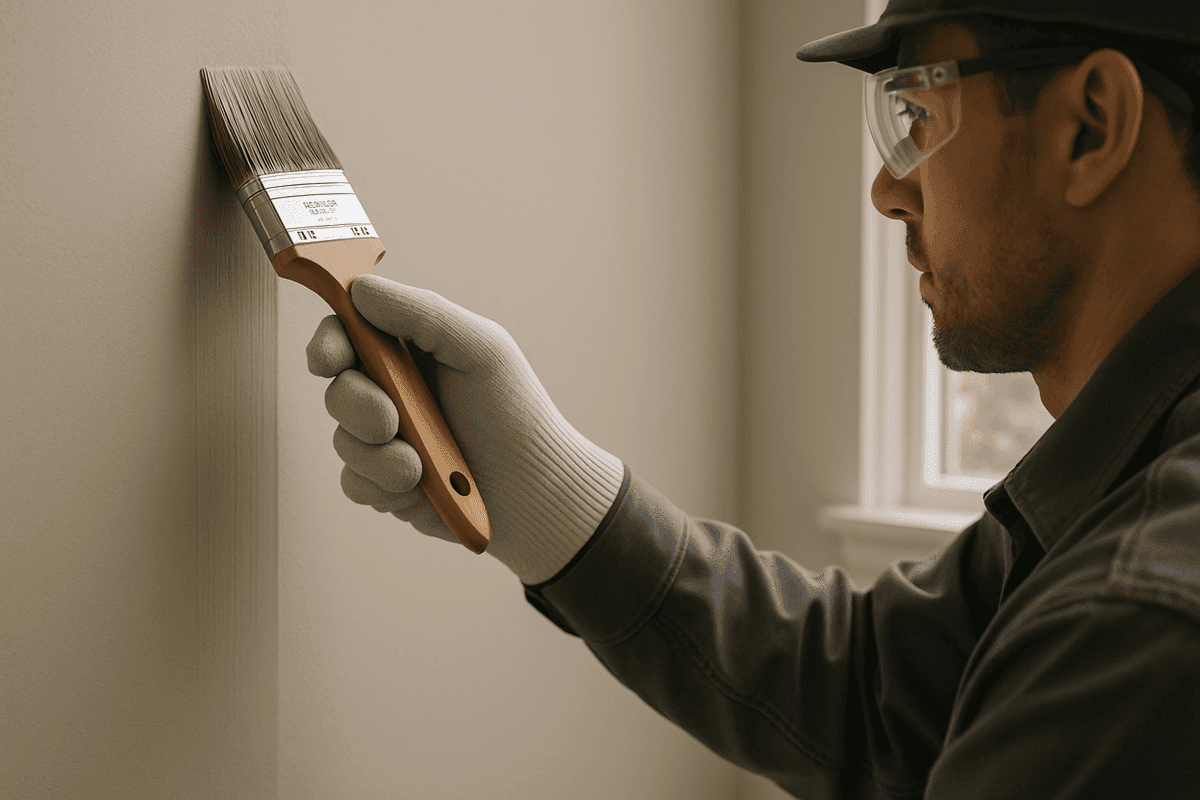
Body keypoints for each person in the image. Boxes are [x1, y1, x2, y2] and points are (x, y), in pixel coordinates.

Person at [305, 1, 1200, 796]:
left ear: (1089, 127)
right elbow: (879, 698)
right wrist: (551, 494)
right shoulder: (1124, 489)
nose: (889, 191)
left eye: (921, 115)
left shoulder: (1137, 637)